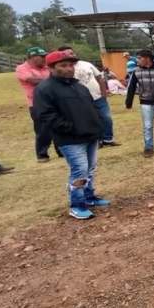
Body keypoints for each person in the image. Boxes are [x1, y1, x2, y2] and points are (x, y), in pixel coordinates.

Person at [33, 50, 108, 220]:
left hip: (90, 135)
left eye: (71, 65)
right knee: (79, 171)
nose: (69, 69)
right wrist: (70, 128)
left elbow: (92, 108)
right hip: (70, 139)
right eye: (63, 65)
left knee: (90, 168)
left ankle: (89, 197)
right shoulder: (45, 89)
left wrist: (97, 125)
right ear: (51, 68)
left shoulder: (79, 86)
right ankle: (77, 205)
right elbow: (45, 115)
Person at [57, 46, 120, 148]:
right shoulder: (65, 69)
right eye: (68, 54)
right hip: (82, 100)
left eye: (72, 53)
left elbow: (99, 77)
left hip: (98, 97)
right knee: (91, 120)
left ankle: (107, 139)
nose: (72, 55)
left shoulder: (87, 64)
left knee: (106, 118)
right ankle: (96, 141)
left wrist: (103, 92)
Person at [16, 46, 62, 163]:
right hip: (37, 103)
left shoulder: (46, 67)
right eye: (41, 57)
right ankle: (42, 154)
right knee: (42, 129)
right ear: (32, 57)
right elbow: (32, 80)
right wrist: (51, 80)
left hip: (55, 100)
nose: (44, 58)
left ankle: (62, 150)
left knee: (60, 126)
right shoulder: (22, 68)